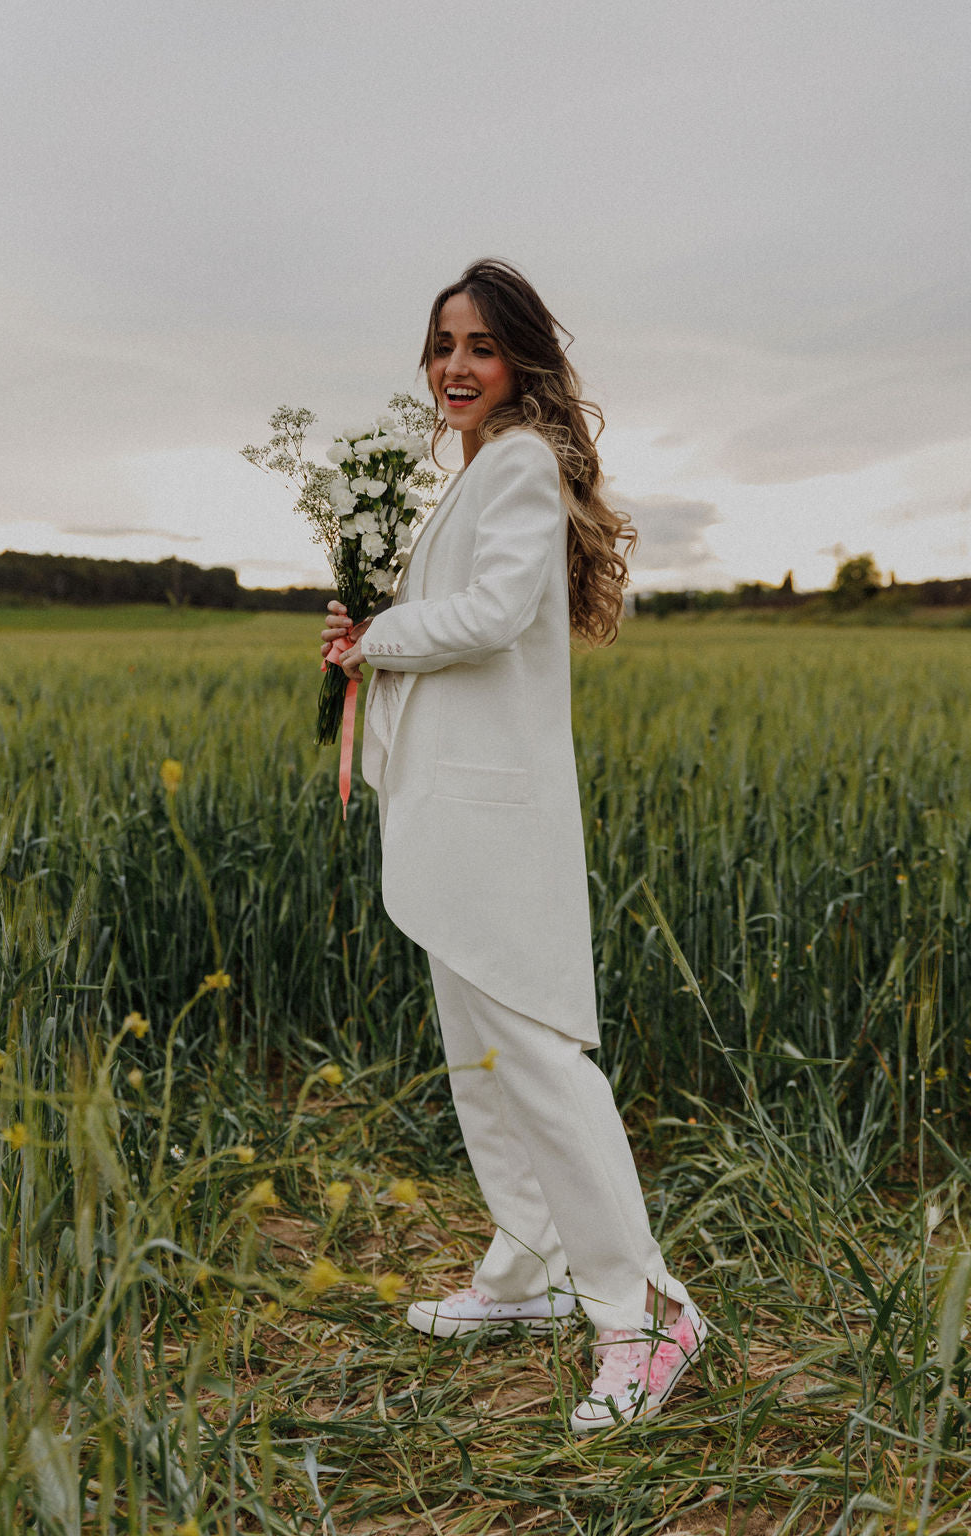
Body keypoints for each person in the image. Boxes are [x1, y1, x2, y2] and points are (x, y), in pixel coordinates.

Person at [320, 258, 706, 1432]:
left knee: (534, 1057)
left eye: (479, 346)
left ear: (521, 360)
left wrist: (382, 636)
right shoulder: (477, 474)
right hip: (447, 811)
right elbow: (451, 619)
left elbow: (490, 617)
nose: (454, 366)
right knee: (477, 1056)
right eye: (441, 345)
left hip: (495, 819)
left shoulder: (525, 462)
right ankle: (529, 1269)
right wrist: (368, 637)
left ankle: (647, 1313)